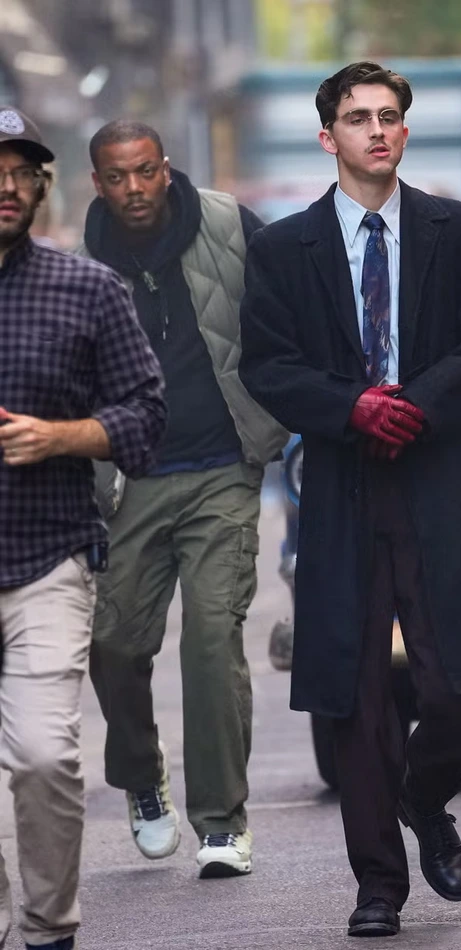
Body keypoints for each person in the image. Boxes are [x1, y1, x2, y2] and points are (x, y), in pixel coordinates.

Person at [239, 62, 461, 936]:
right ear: (328, 137)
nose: (376, 130)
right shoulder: (284, 250)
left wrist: (416, 406)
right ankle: (378, 886)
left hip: (443, 474)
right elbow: (268, 364)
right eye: (358, 117)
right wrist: (352, 407)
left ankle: (424, 797)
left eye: (389, 116)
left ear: (405, 131)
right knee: (353, 691)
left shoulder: (457, 231)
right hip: (344, 481)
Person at [78, 121, 288, 879]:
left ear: (165, 169)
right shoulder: (80, 268)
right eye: (116, 177)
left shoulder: (230, 226)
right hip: (129, 478)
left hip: (223, 468)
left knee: (211, 638)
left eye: (145, 171)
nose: (133, 189)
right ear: (97, 183)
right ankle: (142, 776)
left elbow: (288, 314)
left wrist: (286, 415)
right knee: (114, 646)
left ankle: (223, 822)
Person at [0, 106, 166, 950]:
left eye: (19, 173)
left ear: (40, 188)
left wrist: (60, 437)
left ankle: (47, 930)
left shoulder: (88, 290)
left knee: (42, 756)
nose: (5, 186)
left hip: (46, 559)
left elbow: (146, 414)